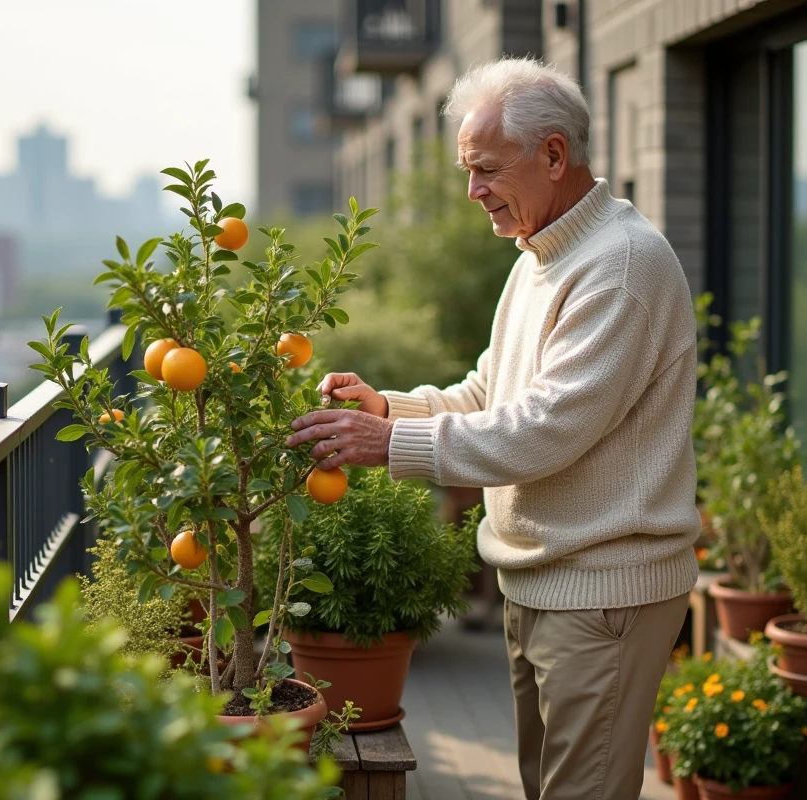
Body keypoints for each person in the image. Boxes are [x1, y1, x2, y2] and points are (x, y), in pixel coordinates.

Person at [285, 57, 699, 800]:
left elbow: (543, 430)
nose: (472, 191)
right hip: (542, 582)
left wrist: (390, 447)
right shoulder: (541, 254)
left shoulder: (621, 267)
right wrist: (389, 409)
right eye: (466, 170)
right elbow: (491, 393)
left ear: (553, 155)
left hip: (602, 592)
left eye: (485, 170)